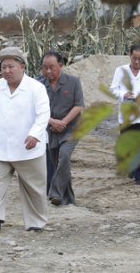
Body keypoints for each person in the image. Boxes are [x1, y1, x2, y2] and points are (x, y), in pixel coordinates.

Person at [0, 47, 50, 232]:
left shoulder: (36, 88)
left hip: (28, 147)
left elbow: (43, 114)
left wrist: (35, 134)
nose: (7, 71)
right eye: (3, 67)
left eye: (11, 66)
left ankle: (36, 223)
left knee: (34, 189)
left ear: (22, 66)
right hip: (1, 146)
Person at [110, 44, 140, 185]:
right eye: (134, 58)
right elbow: (113, 89)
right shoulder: (120, 71)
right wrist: (123, 94)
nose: (137, 62)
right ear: (129, 55)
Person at [41, 51, 84, 206]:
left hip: (72, 128)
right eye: (45, 68)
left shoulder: (73, 82)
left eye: (52, 67)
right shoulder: (39, 86)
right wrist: (53, 122)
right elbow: (35, 110)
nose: (48, 71)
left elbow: (79, 106)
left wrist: (63, 123)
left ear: (61, 66)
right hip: (51, 131)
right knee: (60, 165)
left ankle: (54, 192)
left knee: (64, 157)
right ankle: (68, 200)